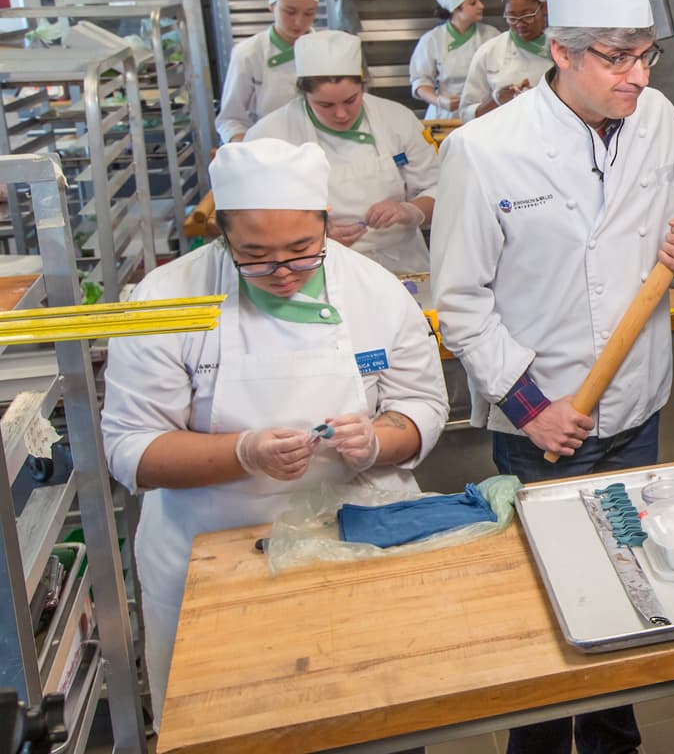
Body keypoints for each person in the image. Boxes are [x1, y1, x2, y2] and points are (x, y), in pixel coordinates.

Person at [433, 0, 674, 754]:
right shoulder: (487, 152)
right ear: (558, 50)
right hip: (543, 418)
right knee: (553, 613)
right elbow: (462, 304)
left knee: (629, 593)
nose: (636, 75)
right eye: (615, 57)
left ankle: (615, 744)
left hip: (634, 411)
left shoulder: (658, 117)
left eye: (645, 54)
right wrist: (530, 410)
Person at [100, 139, 448, 717]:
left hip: (354, 536)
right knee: (230, 720)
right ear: (224, 238)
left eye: (303, 250)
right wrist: (244, 452)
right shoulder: (168, 299)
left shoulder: (375, 291)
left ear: (325, 225)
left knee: (371, 714)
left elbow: (421, 406)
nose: (283, 273)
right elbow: (132, 450)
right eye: (256, 256)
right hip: (211, 550)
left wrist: (376, 442)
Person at [248, 30, 440, 287]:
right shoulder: (270, 135)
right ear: (303, 93)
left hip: (403, 267)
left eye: (351, 100)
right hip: (317, 271)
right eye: (325, 105)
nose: (341, 114)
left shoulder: (398, 120)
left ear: (364, 84)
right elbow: (250, 216)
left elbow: (438, 188)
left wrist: (409, 210)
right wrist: (310, 231)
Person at [216, 0, 322, 142]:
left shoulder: (327, 50)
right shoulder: (248, 53)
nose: (299, 22)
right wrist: (245, 149)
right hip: (265, 146)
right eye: (290, 11)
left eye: (309, 13)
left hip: (319, 147)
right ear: (271, 7)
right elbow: (230, 118)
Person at [459, 0, 552, 120]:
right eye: (512, 17)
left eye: (527, 16)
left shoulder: (561, 50)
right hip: (502, 137)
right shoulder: (489, 52)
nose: (520, 24)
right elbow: (466, 113)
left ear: (544, 8)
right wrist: (496, 100)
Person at [410, 0, 501, 121]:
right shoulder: (432, 40)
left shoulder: (491, 35)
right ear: (455, 8)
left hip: (483, 115)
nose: (481, 6)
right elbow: (421, 82)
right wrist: (439, 100)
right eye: (473, 2)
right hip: (445, 118)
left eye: (479, 0)